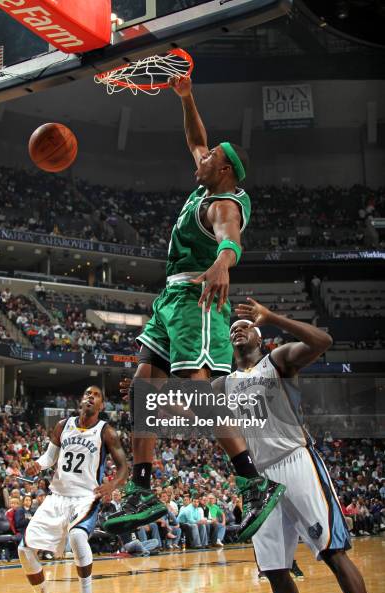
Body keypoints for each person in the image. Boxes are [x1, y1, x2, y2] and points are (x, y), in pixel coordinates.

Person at [106, 75, 283, 540]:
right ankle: (143, 489)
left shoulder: (223, 202)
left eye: (212, 159)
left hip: (197, 298)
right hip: (170, 299)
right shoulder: (206, 184)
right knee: (142, 389)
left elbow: (230, 240)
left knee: (200, 396)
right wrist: (186, 96)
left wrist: (224, 264)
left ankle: (252, 481)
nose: (202, 158)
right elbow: (196, 138)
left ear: (225, 171)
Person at [212, 297, 373, 593]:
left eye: (245, 326)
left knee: (332, 550)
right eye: (233, 330)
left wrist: (272, 316)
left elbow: (323, 341)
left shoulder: (276, 360)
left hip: (296, 460)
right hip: (259, 478)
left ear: (260, 336)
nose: (237, 331)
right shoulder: (223, 384)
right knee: (273, 568)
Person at [19, 386, 128, 593]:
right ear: (81, 400)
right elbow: (50, 456)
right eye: (87, 393)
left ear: (102, 406)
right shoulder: (63, 425)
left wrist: (112, 484)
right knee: (24, 550)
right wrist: (37, 465)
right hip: (57, 496)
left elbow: (124, 469)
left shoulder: (106, 431)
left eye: (96, 395)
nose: (90, 396)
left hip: (85, 497)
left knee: (77, 536)